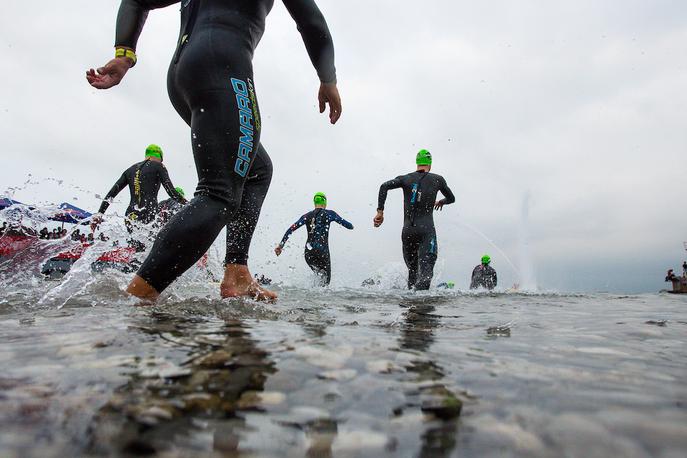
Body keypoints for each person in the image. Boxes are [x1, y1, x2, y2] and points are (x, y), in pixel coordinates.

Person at [87, 0, 341, 302]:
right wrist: (328, 79)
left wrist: (124, 54)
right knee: (218, 194)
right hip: (224, 67)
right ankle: (137, 298)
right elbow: (311, 21)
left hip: (183, 73)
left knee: (257, 169)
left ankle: (237, 272)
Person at [374, 149, 455, 290]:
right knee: (425, 275)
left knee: (413, 273)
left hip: (408, 232)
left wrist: (380, 212)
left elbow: (384, 186)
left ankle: (410, 308)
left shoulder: (405, 178)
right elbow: (451, 199)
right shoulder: (437, 179)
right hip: (426, 231)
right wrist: (441, 202)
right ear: (430, 163)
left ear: (417, 163)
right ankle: (421, 309)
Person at [93, 145, 186, 232]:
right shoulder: (159, 166)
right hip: (149, 213)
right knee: (149, 246)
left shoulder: (130, 170)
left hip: (130, 215)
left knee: (137, 247)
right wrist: (188, 204)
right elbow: (171, 192)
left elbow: (112, 193)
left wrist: (99, 214)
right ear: (160, 157)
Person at [275, 192, 353, 285]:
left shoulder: (306, 216)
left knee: (319, 277)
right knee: (325, 283)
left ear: (314, 202)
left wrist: (281, 246)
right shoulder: (330, 214)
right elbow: (349, 226)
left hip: (309, 253)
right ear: (325, 202)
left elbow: (290, 229)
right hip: (322, 251)